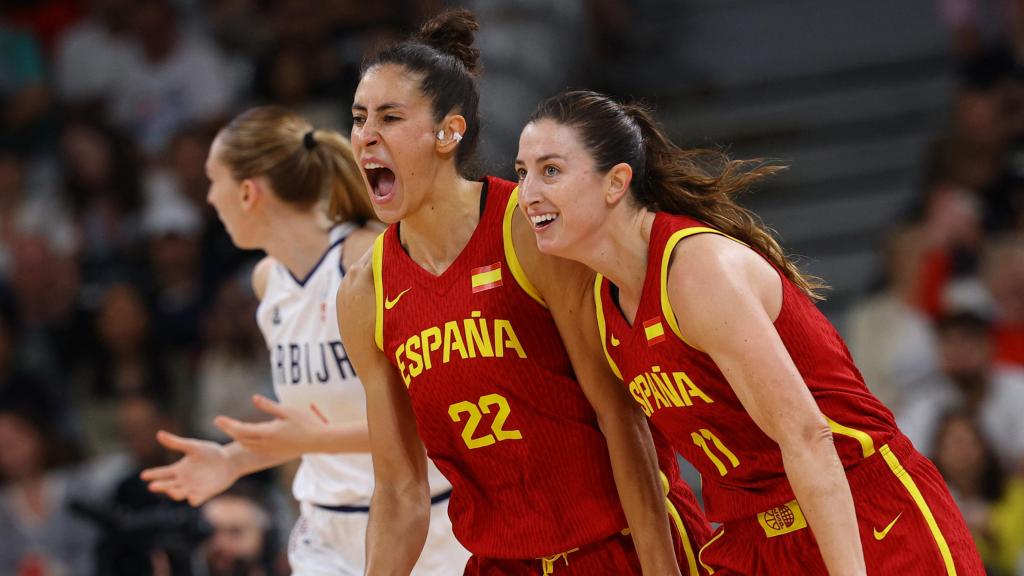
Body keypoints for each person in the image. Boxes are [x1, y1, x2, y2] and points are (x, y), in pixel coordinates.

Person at [514, 90, 985, 576]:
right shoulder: (600, 300)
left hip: (863, 514)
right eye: (522, 171)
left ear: (615, 182)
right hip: (755, 540)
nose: (527, 193)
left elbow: (808, 437)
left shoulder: (698, 271)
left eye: (550, 170)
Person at [337, 9, 710, 576]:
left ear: (448, 132)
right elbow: (401, 491)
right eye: (360, 118)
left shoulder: (529, 228)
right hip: (501, 561)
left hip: (620, 544)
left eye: (390, 117)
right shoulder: (364, 291)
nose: (367, 135)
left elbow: (621, 414)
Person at [141, 106, 468, 575]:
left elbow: (438, 421)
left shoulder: (371, 258)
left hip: (428, 524)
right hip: (325, 528)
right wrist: (232, 461)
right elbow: (313, 428)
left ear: (248, 192)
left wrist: (313, 439)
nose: (210, 199)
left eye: (214, 183)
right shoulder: (265, 282)